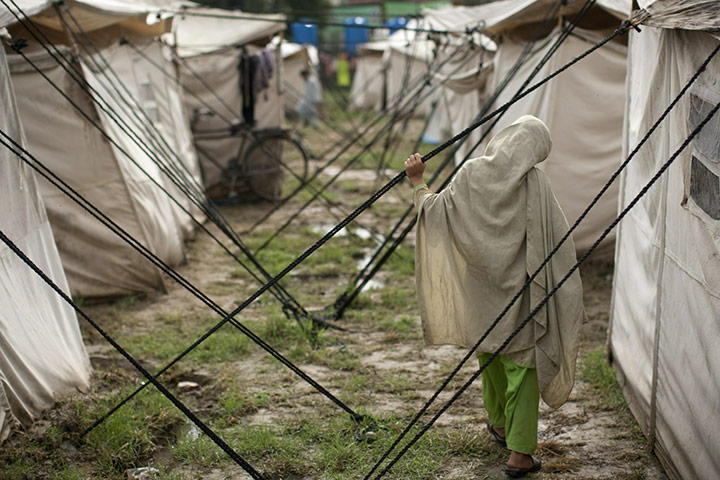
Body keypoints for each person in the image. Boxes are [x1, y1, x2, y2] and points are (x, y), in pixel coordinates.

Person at [404, 115, 584, 478]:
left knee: (491, 358)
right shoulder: (535, 183)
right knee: (523, 368)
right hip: (521, 297)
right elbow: (555, 243)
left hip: (481, 292)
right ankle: (518, 455)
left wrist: (418, 181)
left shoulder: (472, 173)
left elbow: (438, 212)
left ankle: (499, 426)